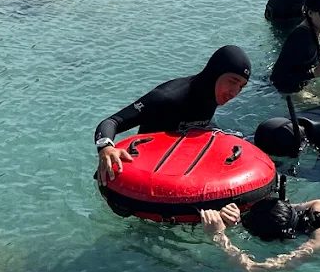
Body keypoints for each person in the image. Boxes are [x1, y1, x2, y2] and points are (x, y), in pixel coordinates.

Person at [94, 45, 251, 185]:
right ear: (215, 73)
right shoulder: (167, 97)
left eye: (241, 87)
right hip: (144, 176)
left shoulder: (215, 94)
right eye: (233, 81)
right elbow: (112, 121)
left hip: (177, 169)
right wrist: (105, 147)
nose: (235, 92)